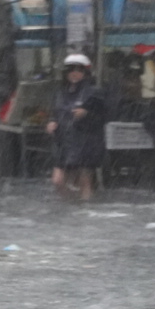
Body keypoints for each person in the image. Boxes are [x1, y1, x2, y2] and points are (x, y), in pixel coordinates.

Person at [47, 53, 107, 201]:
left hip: (85, 142)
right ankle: (71, 205)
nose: (74, 73)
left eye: (79, 69)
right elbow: (55, 112)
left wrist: (87, 113)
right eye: (71, 69)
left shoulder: (94, 92)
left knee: (84, 181)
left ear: (85, 72)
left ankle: (84, 210)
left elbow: (104, 116)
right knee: (57, 181)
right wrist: (52, 122)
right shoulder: (60, 93)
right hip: (64, 142)